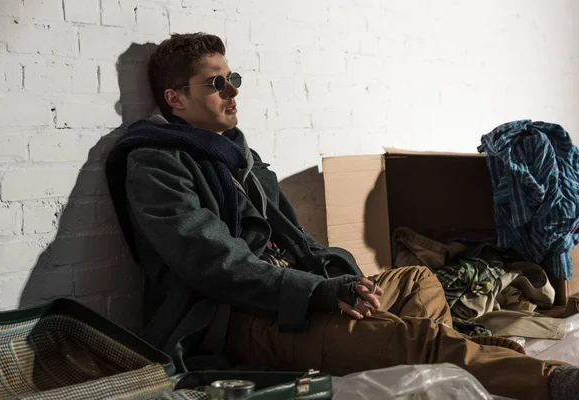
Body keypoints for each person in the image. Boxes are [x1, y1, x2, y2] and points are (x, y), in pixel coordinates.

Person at [105, 33, 579, 400]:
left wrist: (345, 282)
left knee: (417, 280)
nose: (232, 91)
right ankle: (551, 381)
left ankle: (448, 362)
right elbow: (214, 264)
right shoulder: (155, 163)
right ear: (175, 99)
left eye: (234, 79)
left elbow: (299, 242)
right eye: (215, 83)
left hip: (293, 289)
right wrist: (319, 294)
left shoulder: (235, 154)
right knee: (417, 337)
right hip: (237, 317)